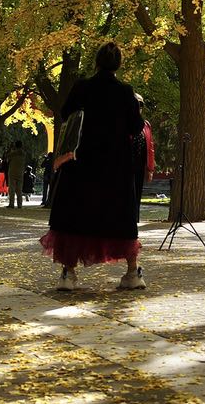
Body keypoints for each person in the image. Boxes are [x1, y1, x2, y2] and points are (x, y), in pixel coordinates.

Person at [42, 42, 152, 289]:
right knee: (121, 218)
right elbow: (136, 128)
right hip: (115, 165)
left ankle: (68, 274)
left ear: (96, 61)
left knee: (74, 214)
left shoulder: (82, 87)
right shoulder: (125, 92)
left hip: (82, 162)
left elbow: (65, 113)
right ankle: (133, 273)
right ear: (119, 64)